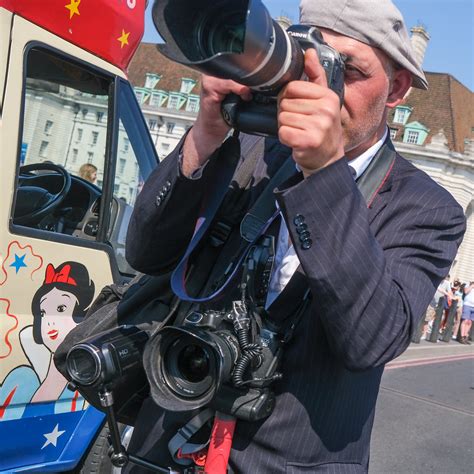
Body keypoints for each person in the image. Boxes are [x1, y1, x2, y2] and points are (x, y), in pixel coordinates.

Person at [124, 0, 466, 472]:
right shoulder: (249, 145)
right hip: (166, 436)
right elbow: (147, 253)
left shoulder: (427, 208)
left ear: (398, 87)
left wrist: (323, 171)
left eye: (347, 69)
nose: (321, 86)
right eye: (311, 63)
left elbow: (372, 340)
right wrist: (204, 133)